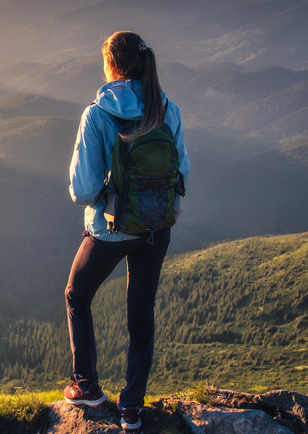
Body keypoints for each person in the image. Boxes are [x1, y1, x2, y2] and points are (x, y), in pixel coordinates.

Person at [64, 31, 190, 431]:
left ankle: (87, 386)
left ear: (112, 66)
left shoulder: (98, 114)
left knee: (77, 295)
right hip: (156, 227)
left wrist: (108, 196)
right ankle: (131, 407)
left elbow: (83, 189)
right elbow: (181, 172)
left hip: (111, 228)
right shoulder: (167, 108)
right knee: (141, 316)